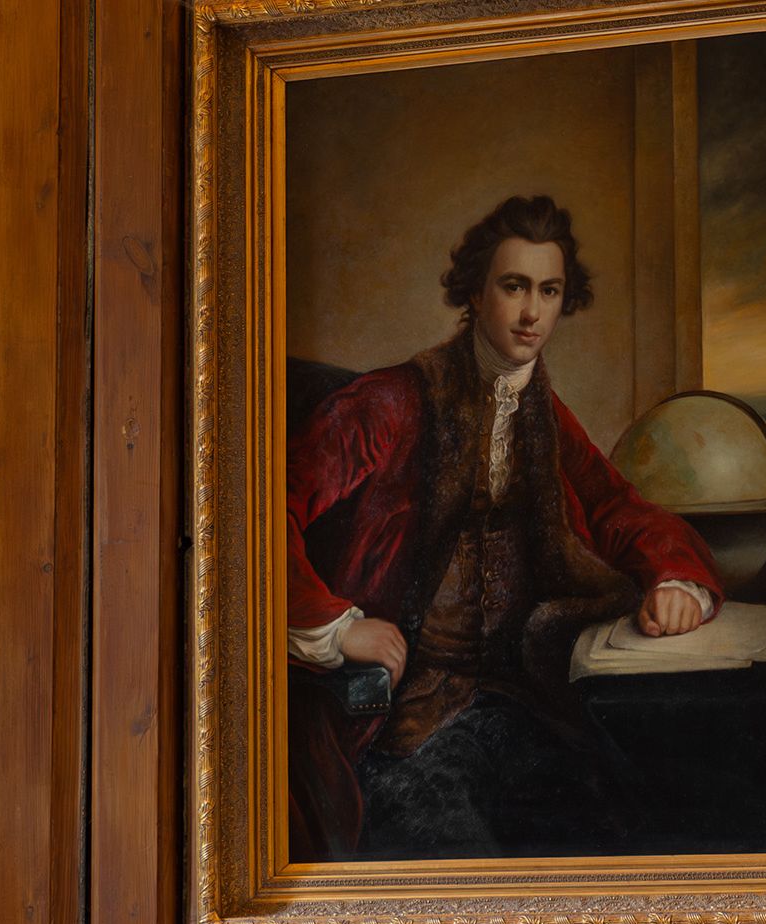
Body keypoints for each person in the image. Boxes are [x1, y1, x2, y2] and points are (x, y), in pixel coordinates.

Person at [270, 195, 722, 860]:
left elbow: (615, 506)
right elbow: (257, 509)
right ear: (476, 293)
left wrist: (676, 579)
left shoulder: (542, 412)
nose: (532, 312)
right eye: (514, 287)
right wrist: (338, 625)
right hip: (400, 725)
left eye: (549, 290)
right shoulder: (389, 402)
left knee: (622, 830)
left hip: (517, 703)